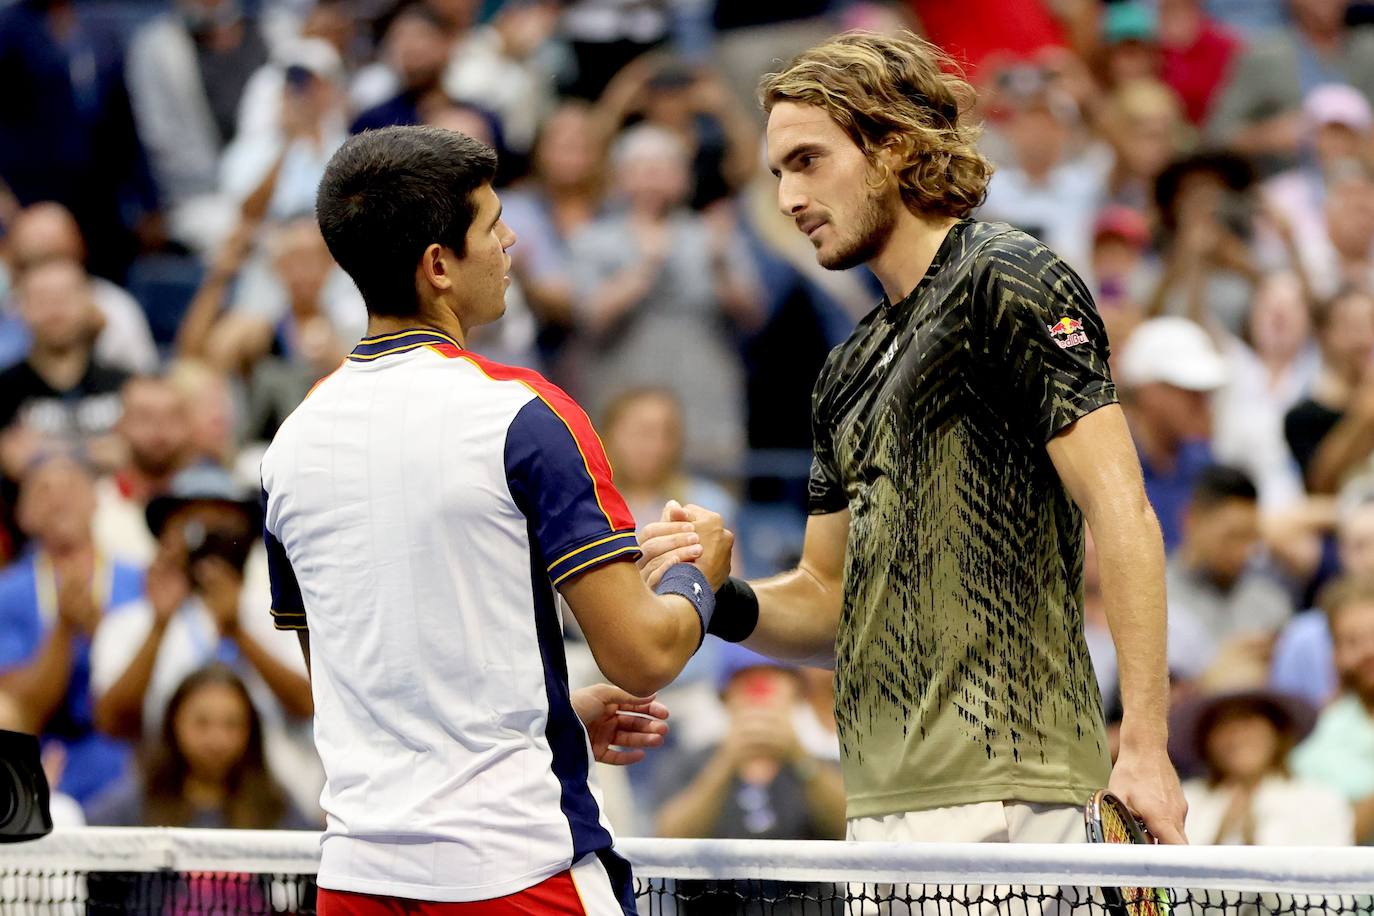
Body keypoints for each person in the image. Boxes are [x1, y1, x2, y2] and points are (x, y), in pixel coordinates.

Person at [644, 30, 1188, 845]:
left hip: (1014, 795)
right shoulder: (844, 370)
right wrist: (722, 598)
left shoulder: (1007, 276)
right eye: (777, 173)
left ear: (894, 147)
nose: (789, 198)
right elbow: (830, 600)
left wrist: (1144, 744)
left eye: (808, 160)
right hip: (877, 809)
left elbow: (1124, 514)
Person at [262, 125, 732, 911]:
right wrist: (696, 573)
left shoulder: (289, 447)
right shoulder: (524, 414)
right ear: (439, 266)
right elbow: (643, 656)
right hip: (519, 872)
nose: (511, 239)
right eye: (491, 226)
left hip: (356, 884)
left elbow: (352, 685)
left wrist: (555, 716)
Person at [569, 124, 762, 472]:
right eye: (643, 169)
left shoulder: (712, 235)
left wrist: (720, 265)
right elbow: (588, 318)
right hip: (622, 398)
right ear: (620, 177)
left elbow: (753, 315)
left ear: (683, 178)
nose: (653, 180)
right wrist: (644, 267)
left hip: (706, 405)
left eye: (664, 169)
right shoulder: (593, 238)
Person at [0, 454, 143, 807]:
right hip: (44, 755)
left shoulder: (141, 582)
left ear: (96, 500)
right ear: (23, 514)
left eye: (71, 486)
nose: (59, 498)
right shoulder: (8, 593)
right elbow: (22, 709)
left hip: (130, 755)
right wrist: (63, 628)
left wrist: (101, 634)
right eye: (44, 489)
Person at [655, 644, 846, 841]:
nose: (759, 694)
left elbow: (847, 830)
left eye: (773, 678)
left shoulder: (824, 763)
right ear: (725, 694)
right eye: (745, 680)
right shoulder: (689, 763)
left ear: (796, 691)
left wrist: (800, 759)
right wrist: (725, 763)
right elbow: (668, 839)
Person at [88, 663, 311, 828]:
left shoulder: (274, 806)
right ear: (174, 724)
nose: (217, 740)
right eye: (201, 723)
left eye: (232, 724)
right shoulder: (135, 803)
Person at [0, 259, 130, 483]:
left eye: (65, 298)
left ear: (90, 302)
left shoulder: (129, 386)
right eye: (42, 299)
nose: (55, 310)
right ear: (20, 308)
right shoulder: (4, 389)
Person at [1173, 689, 1352, 845]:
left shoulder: (1321, 800)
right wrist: (1221, 831)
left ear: (1277, 733)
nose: (1237, 735)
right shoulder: (1184, 800)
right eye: (1223, 724)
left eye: (1248, 720)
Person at [1166, 466, 1294, 681]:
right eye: (1233, 536)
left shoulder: (1272, 602)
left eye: (1251, 537)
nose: (1243, 551)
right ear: (1190, 521)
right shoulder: (1156, 597)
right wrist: (1209, 678)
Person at [3, 202, 158, 375]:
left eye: (56, 257)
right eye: (32, 261)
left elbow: (143, 377)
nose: (47, 274)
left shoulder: (114, 307)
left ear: (77, 251)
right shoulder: (5, 306)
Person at [1116, 317, 1229, 550]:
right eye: (1189, 391)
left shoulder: (1204, 462)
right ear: (1150, 391)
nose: (1201, 403)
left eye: (1205, 393)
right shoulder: (1111, 465)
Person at [1290, 576, 1374, 841]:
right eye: (1353, 641)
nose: (1369, 651)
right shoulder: (1316, 741)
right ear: (1335, 655)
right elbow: (1326, 842)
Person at [91, 376, 195, 567]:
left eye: (171, 417)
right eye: (144, 417)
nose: (159, 429)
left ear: (189, 426)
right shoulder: (93, 505)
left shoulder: (211, 504)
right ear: (119, 425)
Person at [1284, 287, 1374, 494]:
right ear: (1325, 335)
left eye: (1371, 324)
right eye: (1353, 327)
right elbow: (1320, 486)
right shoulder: (1302, 417)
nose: (1366, 338)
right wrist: (1364, 416)